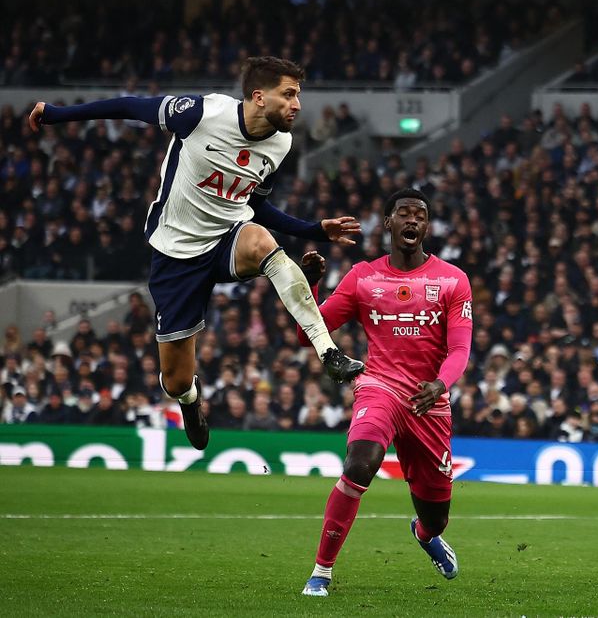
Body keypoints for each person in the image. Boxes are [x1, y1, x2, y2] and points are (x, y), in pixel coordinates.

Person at [27, 57, 365, 451]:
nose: (297, 104)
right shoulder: (203, 112)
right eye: (288, 94)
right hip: (176, 253)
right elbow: (128, 106)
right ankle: (191, 401)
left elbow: (255, 204)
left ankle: (329, 352)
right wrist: (55, 114)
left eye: (298, 95)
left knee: (262, 242)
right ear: (259, 97)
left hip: (228, 237)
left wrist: (312, 231)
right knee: (175, 380)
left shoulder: (281, 143)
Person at [300, 189, 473, 597]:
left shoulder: (452, 280)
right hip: (379, 387)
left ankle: (425, 534)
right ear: (388, 223)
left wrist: (441, 384)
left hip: (430, 402)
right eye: (404, 214)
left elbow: (461, 349)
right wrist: (309, 282)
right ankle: (321, 572)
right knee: (361, 463)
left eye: (420, 215)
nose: (412, 220)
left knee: (436, 514)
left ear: (426, 227)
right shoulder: (363, 277)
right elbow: (310, 329)